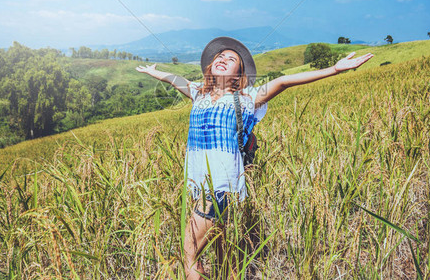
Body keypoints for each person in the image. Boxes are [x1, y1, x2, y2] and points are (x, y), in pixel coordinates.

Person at [136, 37, 373, 279]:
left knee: (189, 253)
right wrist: (156, 73)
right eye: (219, 57)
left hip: (220, 188)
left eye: (231, 59)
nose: (222, 59)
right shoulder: (199, 94)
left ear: (239, 74)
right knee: (225, 258)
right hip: (202, 187)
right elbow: (177, 81)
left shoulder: (248, 98)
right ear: (210, 67)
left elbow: (284, 81)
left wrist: (334, 70)